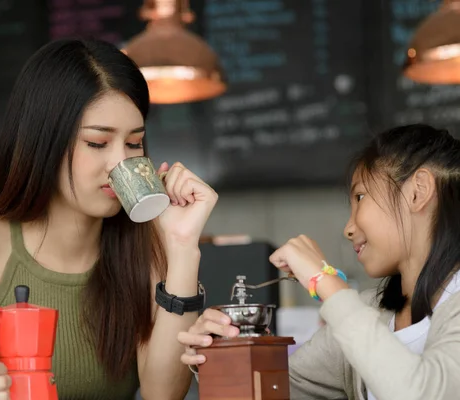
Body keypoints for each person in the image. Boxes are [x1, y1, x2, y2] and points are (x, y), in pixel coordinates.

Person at [0, 38, 218, 400]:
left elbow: (163, 395)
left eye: (134, 144)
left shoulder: (144, 246)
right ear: (46, 143)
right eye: (97, 143)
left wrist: (182, 246)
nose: (121, 164)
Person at [178, 123, 460, 400]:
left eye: (360, 197)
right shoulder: (368, 312)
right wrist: (220, 354)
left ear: (417, 191)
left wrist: (325, 282)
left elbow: (422, 392)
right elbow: (269, 390)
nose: (348, 228)